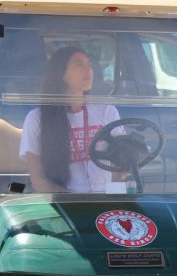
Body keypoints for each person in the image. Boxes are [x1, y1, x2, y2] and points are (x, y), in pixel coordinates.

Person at [20, 46, 121, 193]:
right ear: (61, 73)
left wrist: (115, 198)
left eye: (89, 64)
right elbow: (39, 180)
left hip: (105, 201)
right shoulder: (36, 118)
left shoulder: (107, 111)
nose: (88, 70)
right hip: (64, 203)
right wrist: (74, 200)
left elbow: (120, 166)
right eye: (79, 64)